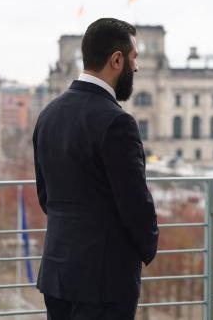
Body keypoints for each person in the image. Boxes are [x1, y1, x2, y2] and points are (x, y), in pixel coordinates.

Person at [33, 18, 159, 320]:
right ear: (117, 60)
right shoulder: (117, 121)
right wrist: (147, 247)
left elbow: (45, 196)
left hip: (57, 273)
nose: (137, 67)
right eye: (134, 57)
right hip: (105, 280)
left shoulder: (48, 114)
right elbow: (135, 204)